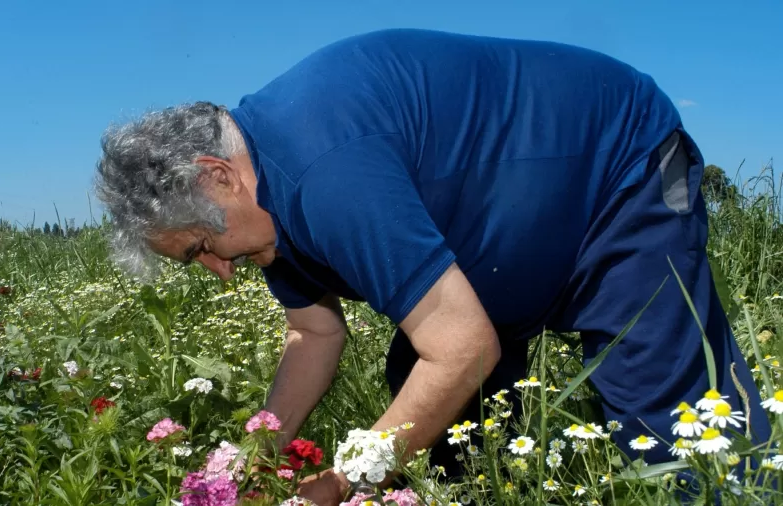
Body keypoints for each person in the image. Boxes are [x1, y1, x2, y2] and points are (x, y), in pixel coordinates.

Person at [93, 28, 772, 505]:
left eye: (200, 247)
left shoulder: (324, 175)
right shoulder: (263, 205)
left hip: (614, 168)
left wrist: (341, 483)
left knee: (675, 425)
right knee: (434, 411)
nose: (219, 270)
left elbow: (461, 349)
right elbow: (315, 334)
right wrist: (257, 454)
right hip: (511, 225)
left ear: (217, 176)